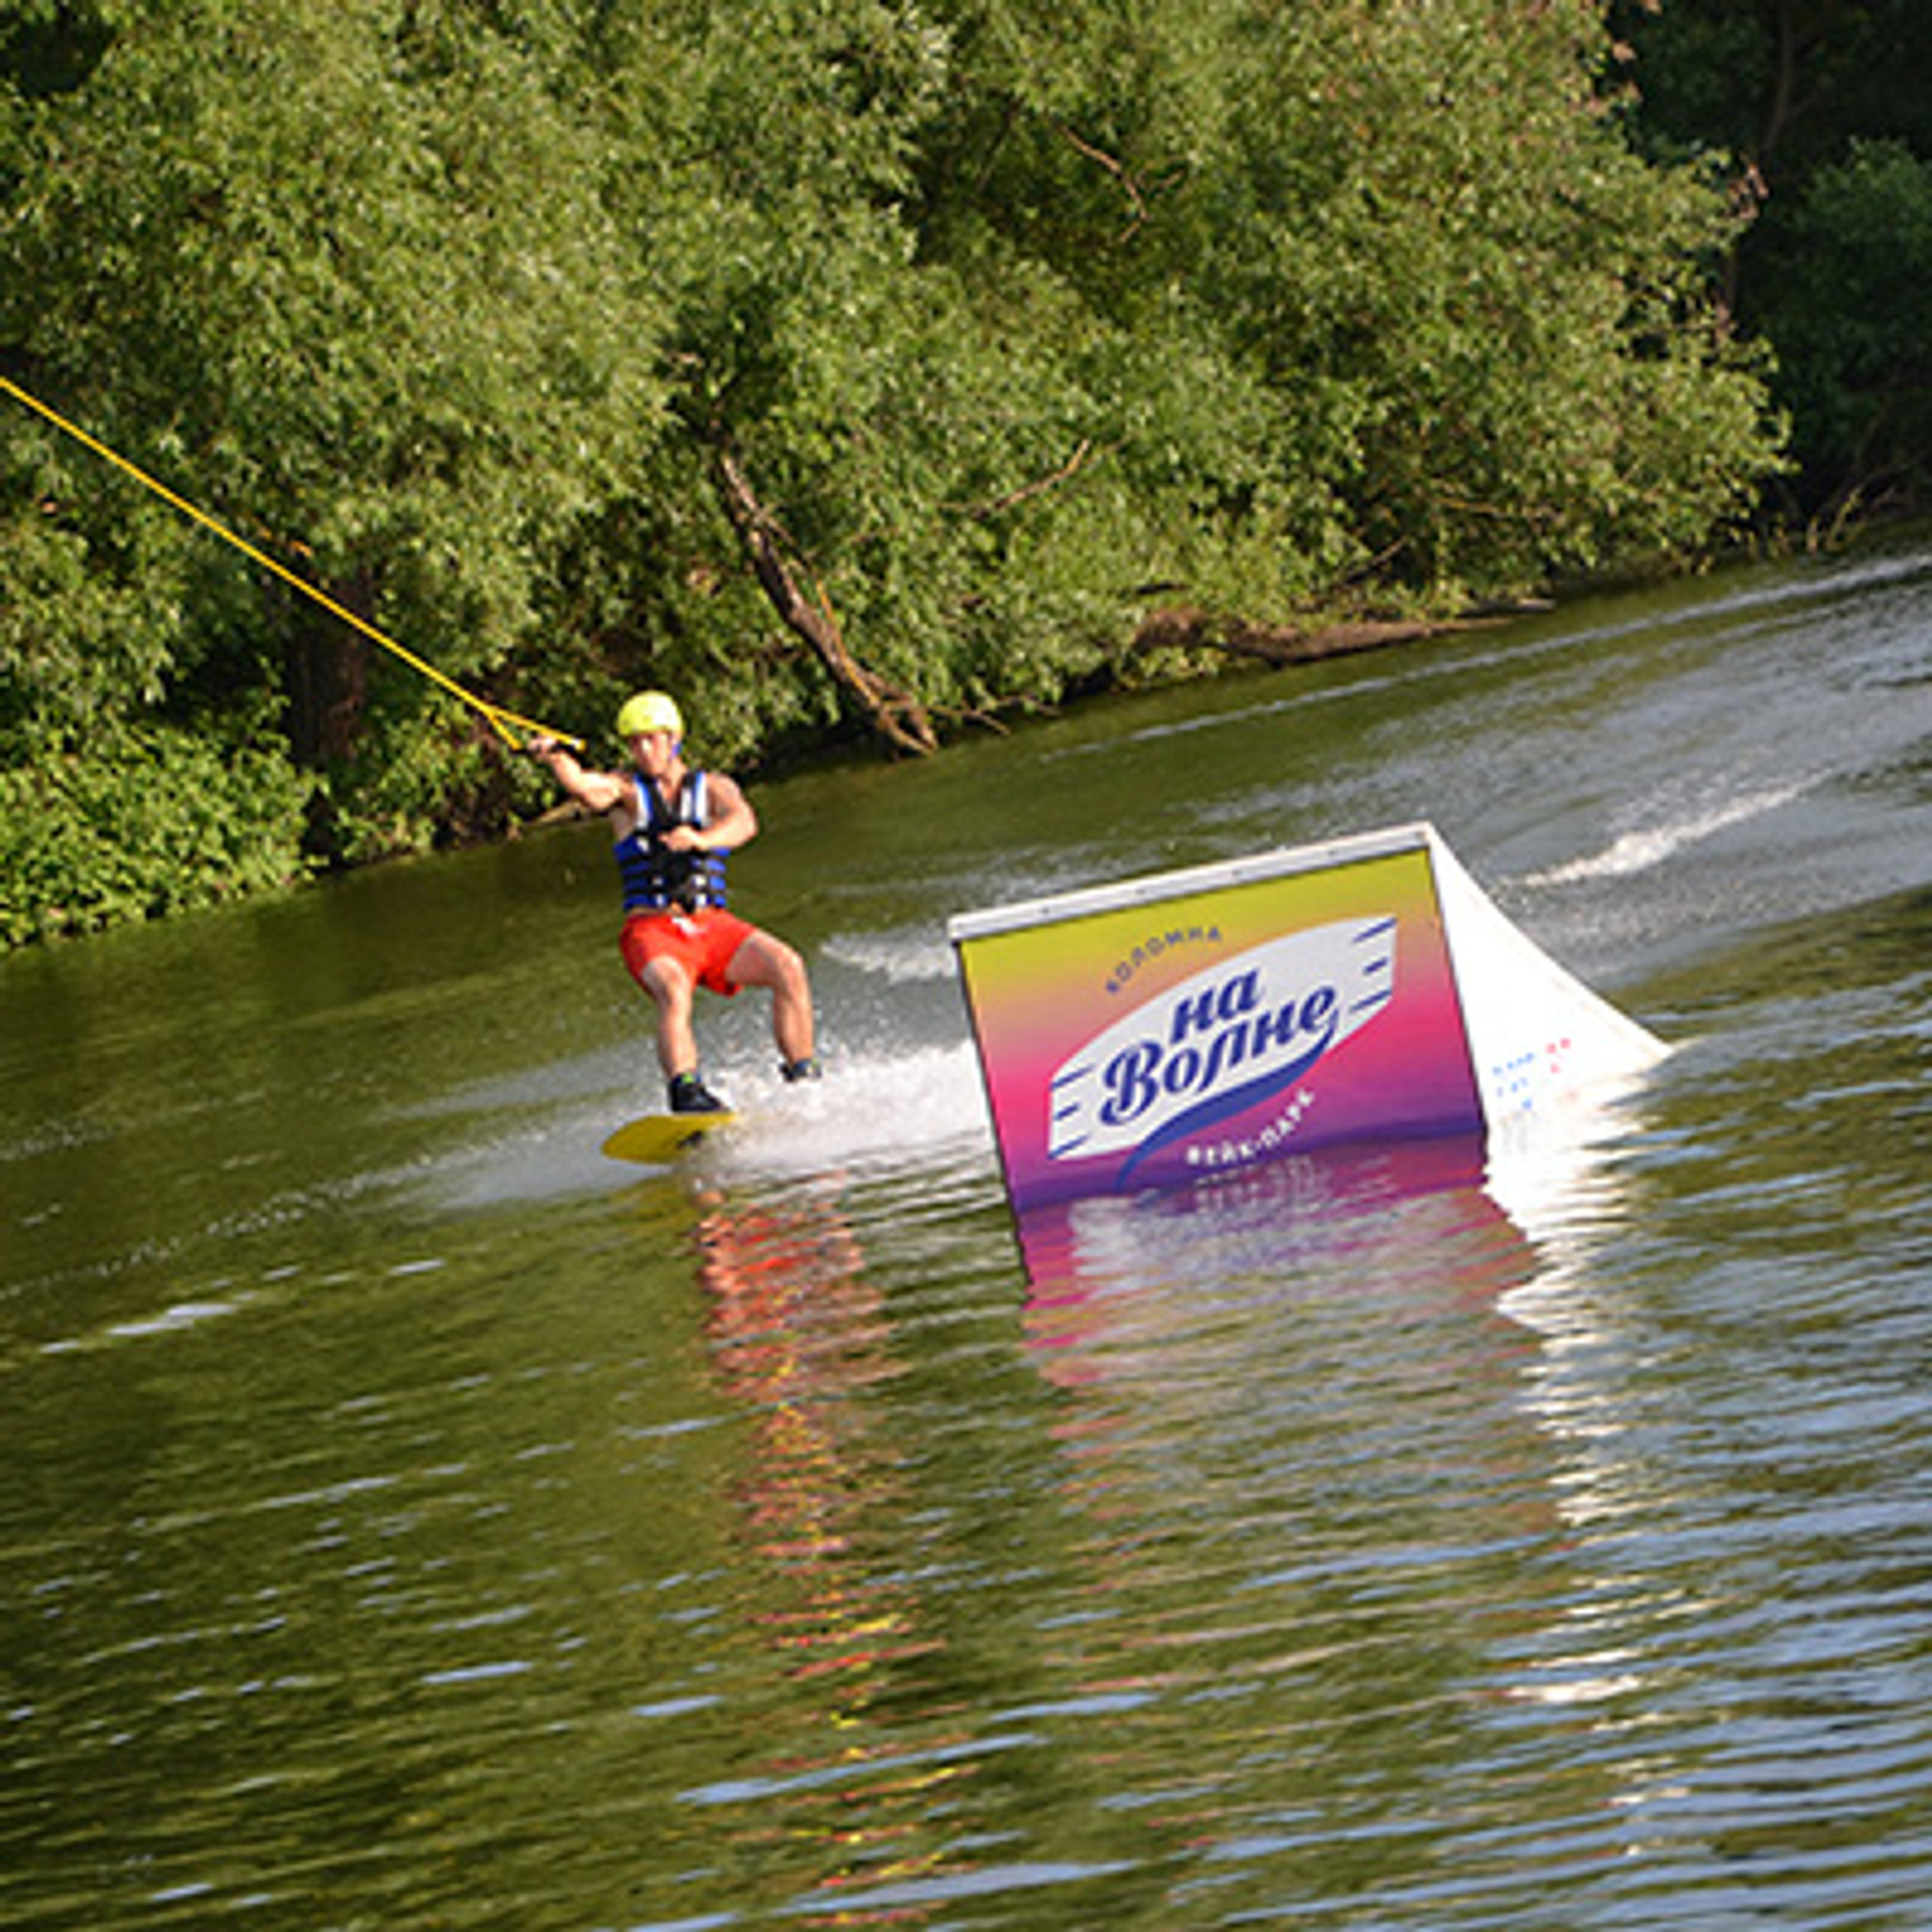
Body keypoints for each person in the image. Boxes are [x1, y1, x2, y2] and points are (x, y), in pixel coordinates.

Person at [527, 691, 818, 1114]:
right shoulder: (625, 793)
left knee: (787, 965)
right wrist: (555, 758)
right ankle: (686, 1092)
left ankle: (802, 1078)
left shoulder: (715, 788)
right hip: (652, 931)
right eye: (634, 742)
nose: (643, 750)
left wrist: (700, 839)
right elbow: (586, 788)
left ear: (674, 739)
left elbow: (744, 823)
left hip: (711, 927)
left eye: (651, 739)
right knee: (673, 988)